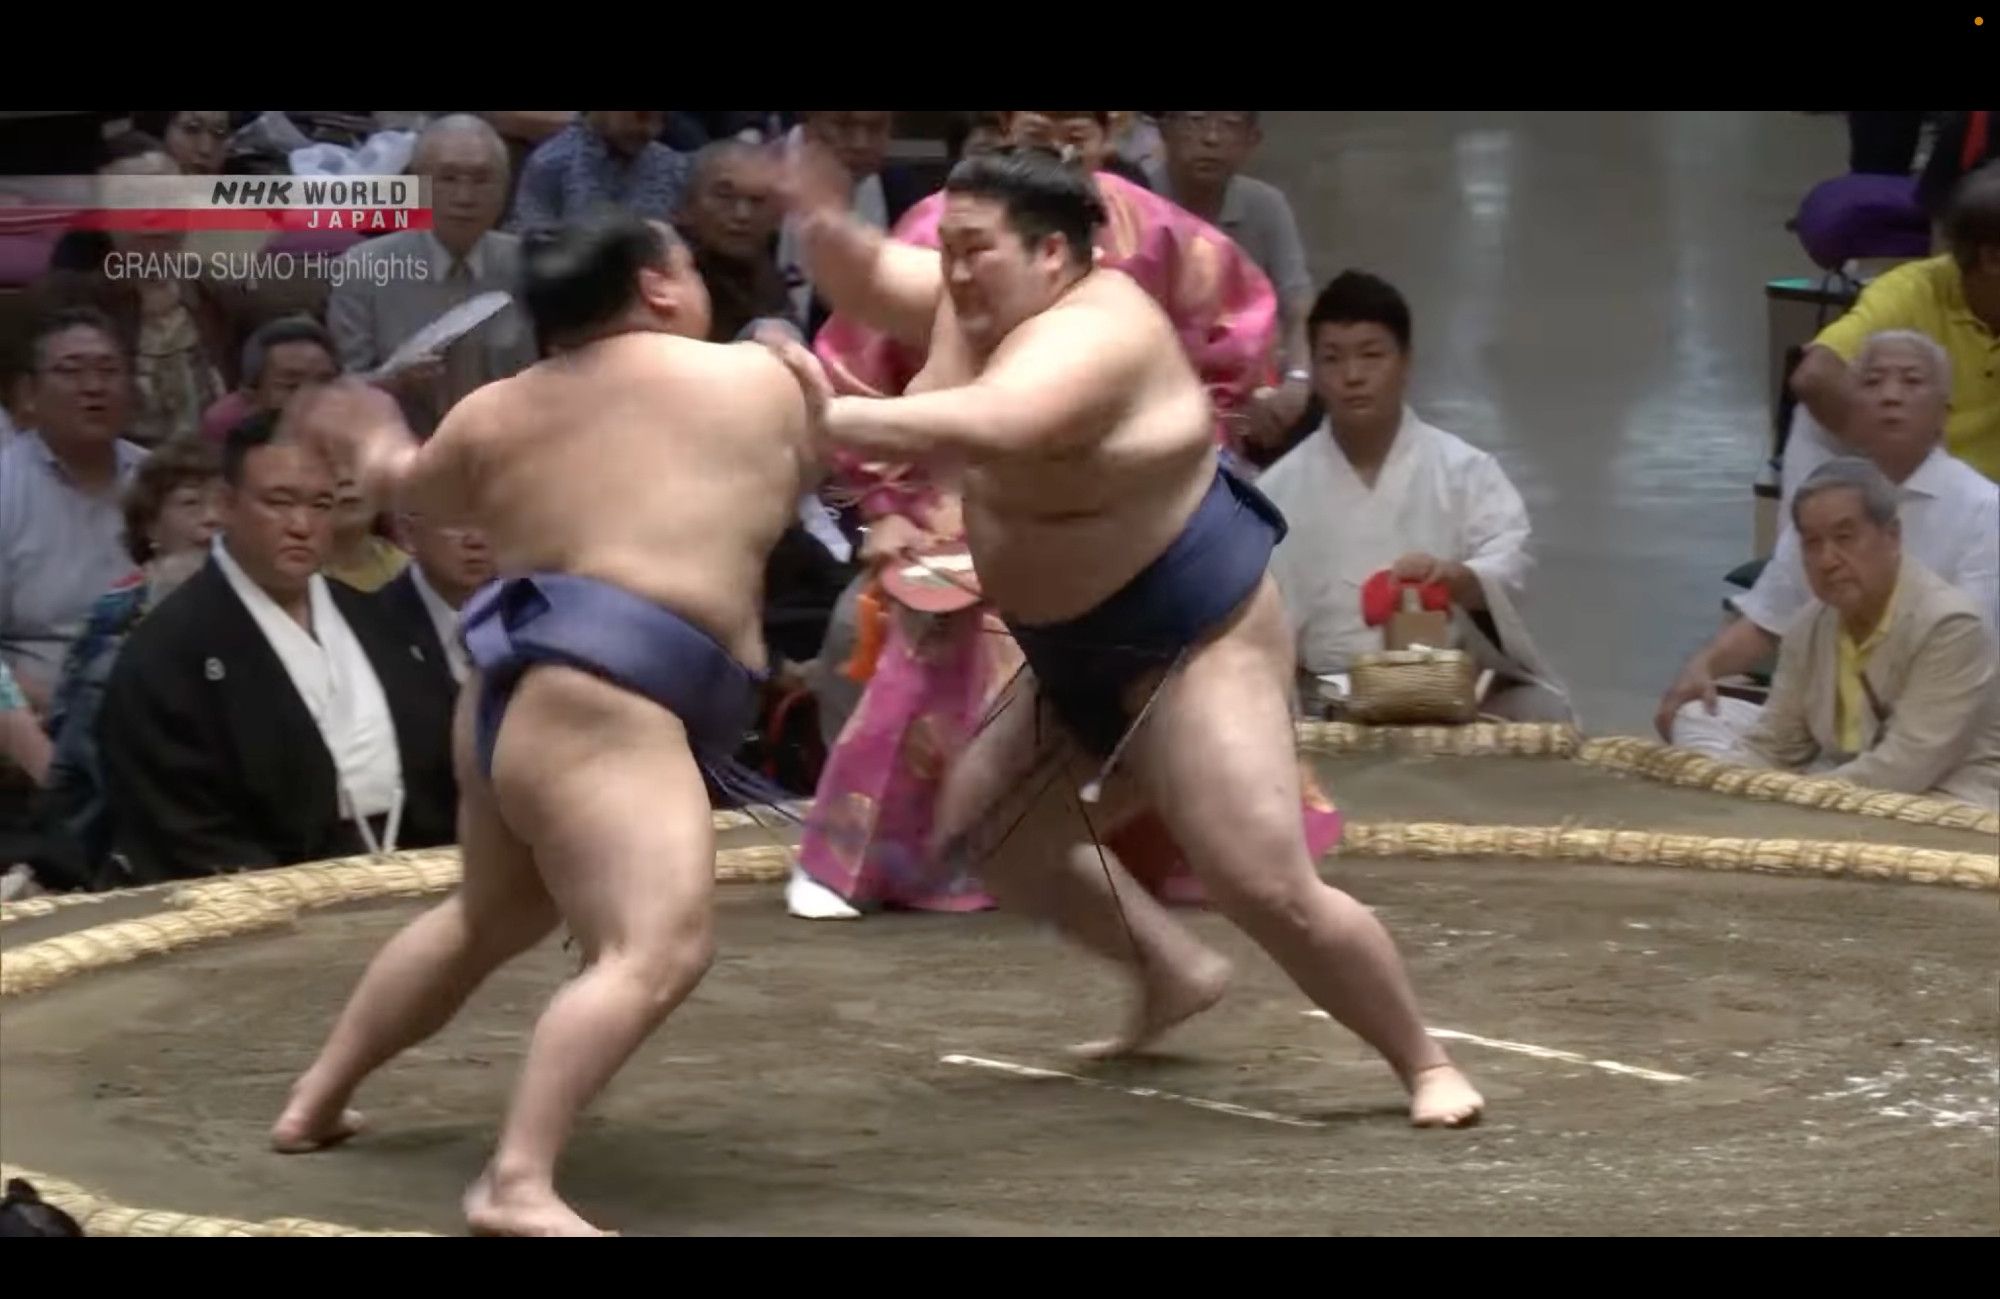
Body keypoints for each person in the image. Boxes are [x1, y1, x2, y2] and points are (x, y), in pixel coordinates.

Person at [762, 147, 1482, 1128]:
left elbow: (993, 420)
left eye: (976, 251)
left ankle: (1423, 1062)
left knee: (1257, 879)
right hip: (1068, 644)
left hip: (1188, 629)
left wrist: (826, 415)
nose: (953, 269)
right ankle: (1169, 971)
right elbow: (877, 280)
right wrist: (822, 224)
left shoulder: (1096, 336)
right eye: (951, 250)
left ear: (1053, 253)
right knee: (993, 837)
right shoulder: (976, 295)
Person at [269, 209, 817, 1236]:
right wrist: (785, 350)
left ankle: (317, 1101)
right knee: (656, 948)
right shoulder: (746, 381)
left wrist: (376, 427)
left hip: (513, 696)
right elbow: (826, 444)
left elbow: (409, 484)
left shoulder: (490, 413)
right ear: (658, 287)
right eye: (690, 265)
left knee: (493, 916)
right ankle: (514, 1181)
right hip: (608, 704)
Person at [789, 130, 1323, 921]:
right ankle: (1152, 964)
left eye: (1082, 117)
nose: (1060, 130)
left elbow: (1220, 345)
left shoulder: (1132, 267)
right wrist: (886, 506)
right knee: (981, 809)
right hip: (973, 517)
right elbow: (871, 299)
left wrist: (821, 419)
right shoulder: (957, 234)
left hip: (1143, 535)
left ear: (1109, 131)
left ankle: (1412, 1046)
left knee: (1265, 876)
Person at [98, 415, 457, 887]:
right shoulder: (167, 650)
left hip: (410, 878)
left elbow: (444, 765)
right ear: (227, 504)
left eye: (321, 505)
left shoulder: (380, 620)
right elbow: (179, 822)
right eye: (279, 502)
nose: (302, 525)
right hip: (266, 904)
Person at [1260, 272, 1574, 722]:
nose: (1352, 376)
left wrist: (1459, 579)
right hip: (1327, 701)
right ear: (1315, 371)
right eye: (1332, 359)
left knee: (1542, 711)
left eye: (1371, 356)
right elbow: (1261, 626)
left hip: (1450, 689)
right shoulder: (1276, 491)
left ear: (1405, 362)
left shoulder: (1464, 470)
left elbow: (1514, 556)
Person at [1659, 330, 1999, 742]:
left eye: (1911, 381)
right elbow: (1768, 619)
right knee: (1697, 715)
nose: (1891, 395)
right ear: (1852, 411)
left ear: (1944, 411)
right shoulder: (1828, 498)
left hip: (1940, 724)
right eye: (1873, 382)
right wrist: (1704, 666)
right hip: (1830, 724)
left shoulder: (1985, 508)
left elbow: (1971, 647)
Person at [1676, 458, 2000, 811]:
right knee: (1697, 716)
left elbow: (1907, 766)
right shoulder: (1810, 623)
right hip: (1840, 775)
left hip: (1944, 795)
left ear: (1892, 537)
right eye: (1812, 544)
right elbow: (1774, 744)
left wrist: (1792, 795)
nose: (1827, 560)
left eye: (1844, 538)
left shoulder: (1951, 624)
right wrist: (1733, 783)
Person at [1786, 162, 2000, 483]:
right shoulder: (1910, 293)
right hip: (1913, 497)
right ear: (1992, 259)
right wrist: (1910, 461)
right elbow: (1816, 376)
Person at [328, 115, 537, 439]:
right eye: (448, 179)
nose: (464, 197)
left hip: (511, 447)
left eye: (482, 180)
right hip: (399, 448)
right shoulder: (363, 268)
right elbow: (337, 394)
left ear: (506, 188)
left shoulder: (531, 265)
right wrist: (392, 381)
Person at [0, 308, 150, 711]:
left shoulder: (160, 479)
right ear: (29, 393)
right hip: (32, 714)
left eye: (109, 370)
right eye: (70, 371)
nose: (93, 386)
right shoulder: (6, 485)